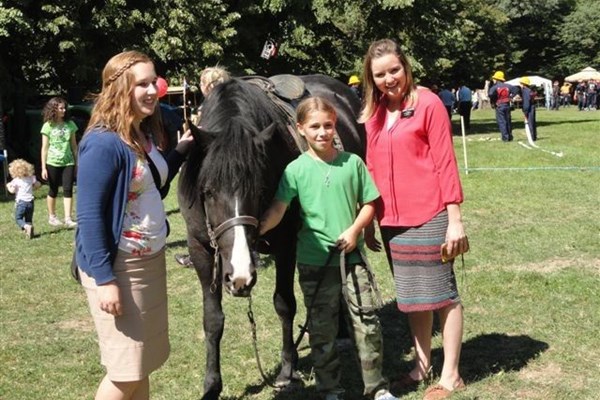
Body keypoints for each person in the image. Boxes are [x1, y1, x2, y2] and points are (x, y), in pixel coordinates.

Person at [259, 97, 398, 400]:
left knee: (368, 324)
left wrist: (354, 230)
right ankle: (329, 390)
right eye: (315, 127)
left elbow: (370, 203)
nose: (322, 132)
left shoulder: (352, 163)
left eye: (328, 125)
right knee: (322, 333)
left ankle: (377, 388)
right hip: (314, 263)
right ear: (300, 129)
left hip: (353, 260)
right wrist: (254, 232)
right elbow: (278, 210)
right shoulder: (294, 170)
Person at [75, 50, 194, 400]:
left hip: (148, 264)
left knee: (142, 365)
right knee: (125, 372)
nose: (151, 91)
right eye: (140, 83)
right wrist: (105, 280)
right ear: (119, 88)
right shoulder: (102, 142)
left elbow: (151, 182)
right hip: (119, 269)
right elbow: (90, 216)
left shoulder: (138, 135)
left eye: (152, 82)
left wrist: (182, 150)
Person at [359, 39, 469, 400]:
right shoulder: (373, 115)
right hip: (393, 220)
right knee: (411, 297)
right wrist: (374, 217)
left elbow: (445, 162)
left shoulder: (429, 104)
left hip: (432, 214)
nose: (389, 79)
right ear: (371, 79)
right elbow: (372, 167)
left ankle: (451, 374)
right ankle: (422, 364)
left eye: (394, 70)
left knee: (442, 295)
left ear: (405, 67)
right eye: (380, 74)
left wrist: (454, 218)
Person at [174, 65, 231, 268]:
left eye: (201, 82)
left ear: (206, 84)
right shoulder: (231, 102)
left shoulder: (211, 105)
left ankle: (201, 249)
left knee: (198, 207)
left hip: (212, 163)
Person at [40, 96, 78, 228]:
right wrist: (43, 168)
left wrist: (76, 163)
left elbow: (74, 146)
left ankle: (68, 218)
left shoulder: (71, 125)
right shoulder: (47, 126)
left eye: (64, 108)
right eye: (61, 108)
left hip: (68, 162)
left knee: (68, 189)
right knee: (53, 190)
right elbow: (44, 148)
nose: (64, 110)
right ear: (54, 109)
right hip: (52, 163)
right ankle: (52, 217)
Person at [6, 158, 41, 239]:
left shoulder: (16, 181)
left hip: (21, 203)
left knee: (18, 218)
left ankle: (26, 227)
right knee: (29, 219)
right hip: (31, 202)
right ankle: (29, 232)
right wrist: (35, 186)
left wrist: (8, 186)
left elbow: (12, 191)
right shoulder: (31, 178)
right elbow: (37, 185)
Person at [488, 71, 516, 142]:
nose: (493, 80)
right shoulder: (508, 86)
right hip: (507, 105)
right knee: (508, 121)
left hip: (499, 105)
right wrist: (511, 97)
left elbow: (490, 94)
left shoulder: (495, 87)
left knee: (502, 121)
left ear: (497, 79)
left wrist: (494, 100)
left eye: (494, 78)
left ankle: (505, 137)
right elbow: (516, 90)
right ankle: (510, 136)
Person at [519, 77, 537, 141]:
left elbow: (526, 102)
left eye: (520, 83)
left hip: (529, 108)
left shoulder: (525, 91)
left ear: (524, 84)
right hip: (531, 107)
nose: (520, 85)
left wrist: (525, 111)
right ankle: (533, 136)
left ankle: (531, 137)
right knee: (532, 122)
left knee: (530, 123)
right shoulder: (528, 90)